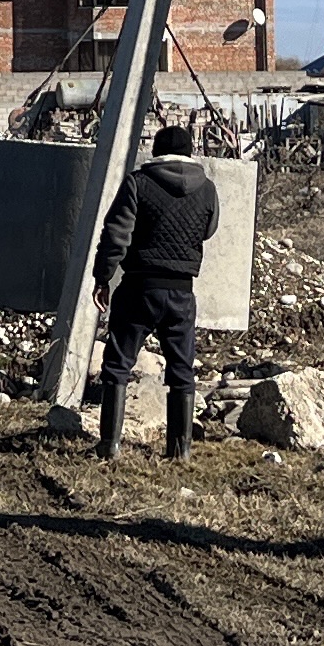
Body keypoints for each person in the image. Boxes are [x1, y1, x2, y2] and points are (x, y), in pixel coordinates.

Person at [91, 123, 218, 461]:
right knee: (182, 370)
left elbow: (116, 235)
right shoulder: (207, 188)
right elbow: (209, 229)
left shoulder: (138, 183)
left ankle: (110, 445)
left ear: (157, 152)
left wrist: (102, 277)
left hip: (139, 288)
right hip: (182, 292)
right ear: (190, 152)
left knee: (118, 365)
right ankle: (180, 451)